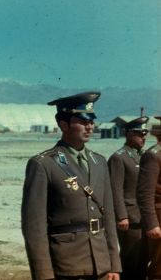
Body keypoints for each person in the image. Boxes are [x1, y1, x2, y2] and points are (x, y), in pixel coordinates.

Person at [21, 91, 121, 280]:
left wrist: (114, 264)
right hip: (67, 264)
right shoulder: (44, 164)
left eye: (91, 121)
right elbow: (34, 227)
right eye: (83, 121)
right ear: (64, 125)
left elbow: (108, 216)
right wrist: (43, 273)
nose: (89, 127)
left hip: (100, 264)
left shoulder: (99, 162)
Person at [108, 116, 149, 279]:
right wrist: (122, 216)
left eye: (145, 133)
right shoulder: (119, 157)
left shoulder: (144, 156)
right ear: (128, 134)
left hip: (144, 217)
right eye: (139, 133)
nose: (143, 137)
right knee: (130, 258)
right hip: (130, 219)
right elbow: (115, 189)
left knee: (144, 258)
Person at [137, 116, 161, 279]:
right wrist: (152, 224)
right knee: (159, 266)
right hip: (160, 216)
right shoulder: (154, 155)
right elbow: (145, 193)